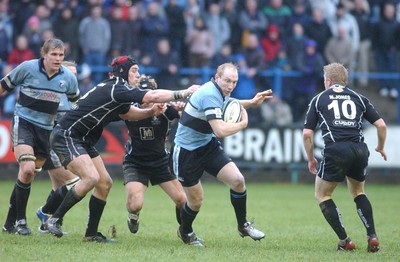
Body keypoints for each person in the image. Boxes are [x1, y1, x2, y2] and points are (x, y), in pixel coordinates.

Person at [45, 55, 199, 242]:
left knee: (104, 183)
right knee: (91, 178)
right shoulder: (116, 87)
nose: (138, 75)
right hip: (67, 134)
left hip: (83, 140)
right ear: (123, 72)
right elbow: (152, 95)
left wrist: (150, 111)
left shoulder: (118, 91)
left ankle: (91, 234)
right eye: (134, 71)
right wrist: (183, 92)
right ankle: (53, 219)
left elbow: (128, 114)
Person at [170, 62, 272, 247]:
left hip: (207, 146)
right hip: (187, 152)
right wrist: (242, 124)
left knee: (238, 181)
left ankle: (243, 226)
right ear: (217, 78)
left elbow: (227, 104)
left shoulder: (219, 92)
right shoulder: (210, 94)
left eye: (234, 82)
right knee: (196, 201)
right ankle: (185, 231)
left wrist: (251, 102)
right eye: (227, 81)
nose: (231, 86)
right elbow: (220, 130)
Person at [303, 62, 386, 252]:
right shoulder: (359, 97)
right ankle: (372, 236)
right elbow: (381, 125)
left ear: (328, 80)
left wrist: (310, 158)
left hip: (336, 150)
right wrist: (380, 147)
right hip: (359, 149)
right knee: (358, 192)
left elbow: (307, 134)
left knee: (322, 194)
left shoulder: (319, 99)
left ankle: (345, 241)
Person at [0, 38, 80, 235]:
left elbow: (75, 105)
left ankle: (10, 223)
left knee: (26, 176)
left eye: (61, 55)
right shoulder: (27, 68)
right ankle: (21, 221)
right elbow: (4, 86)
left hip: (47, 131)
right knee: (27, 169)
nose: (58, 58)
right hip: (24, 123)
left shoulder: (68, 79)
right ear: (44, 54)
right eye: (54, 54)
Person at [123, 75, 186, 234]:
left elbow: (185, 117)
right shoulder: (129, 108)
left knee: (182, 200)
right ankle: (133, 215)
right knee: (135, 204)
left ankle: (185, 230)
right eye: (143, 94)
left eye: (151, 94)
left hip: (161, 161)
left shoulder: (165, 108)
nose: (147, 99)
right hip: (135, 162)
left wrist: (181, 109)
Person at [36, 61, 81, 233]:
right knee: (74, 182)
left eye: (75, 73)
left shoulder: (74, 95)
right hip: (48, 142)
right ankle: (44, 212)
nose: (73, 77)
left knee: (57, 188)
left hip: (62, 143)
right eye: (70, 73)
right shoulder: (52, 92)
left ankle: (46, 225)